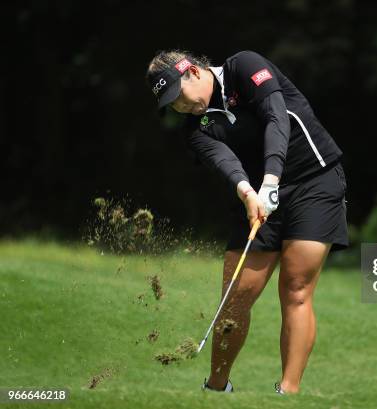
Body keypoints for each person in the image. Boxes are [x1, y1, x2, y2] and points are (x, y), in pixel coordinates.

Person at [145, 49, 348, 395]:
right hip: (256, 197)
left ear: (193, 72)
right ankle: (216, 388)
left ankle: (289, 391)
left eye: (179, 95)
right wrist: (249, 193)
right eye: (172, 105)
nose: (180, 107)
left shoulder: (245, 67)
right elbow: (226, 163)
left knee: (296, 287)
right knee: (235, 298)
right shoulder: (195, 129)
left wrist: (271, 180)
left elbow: (276, 118)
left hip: (314, 180)